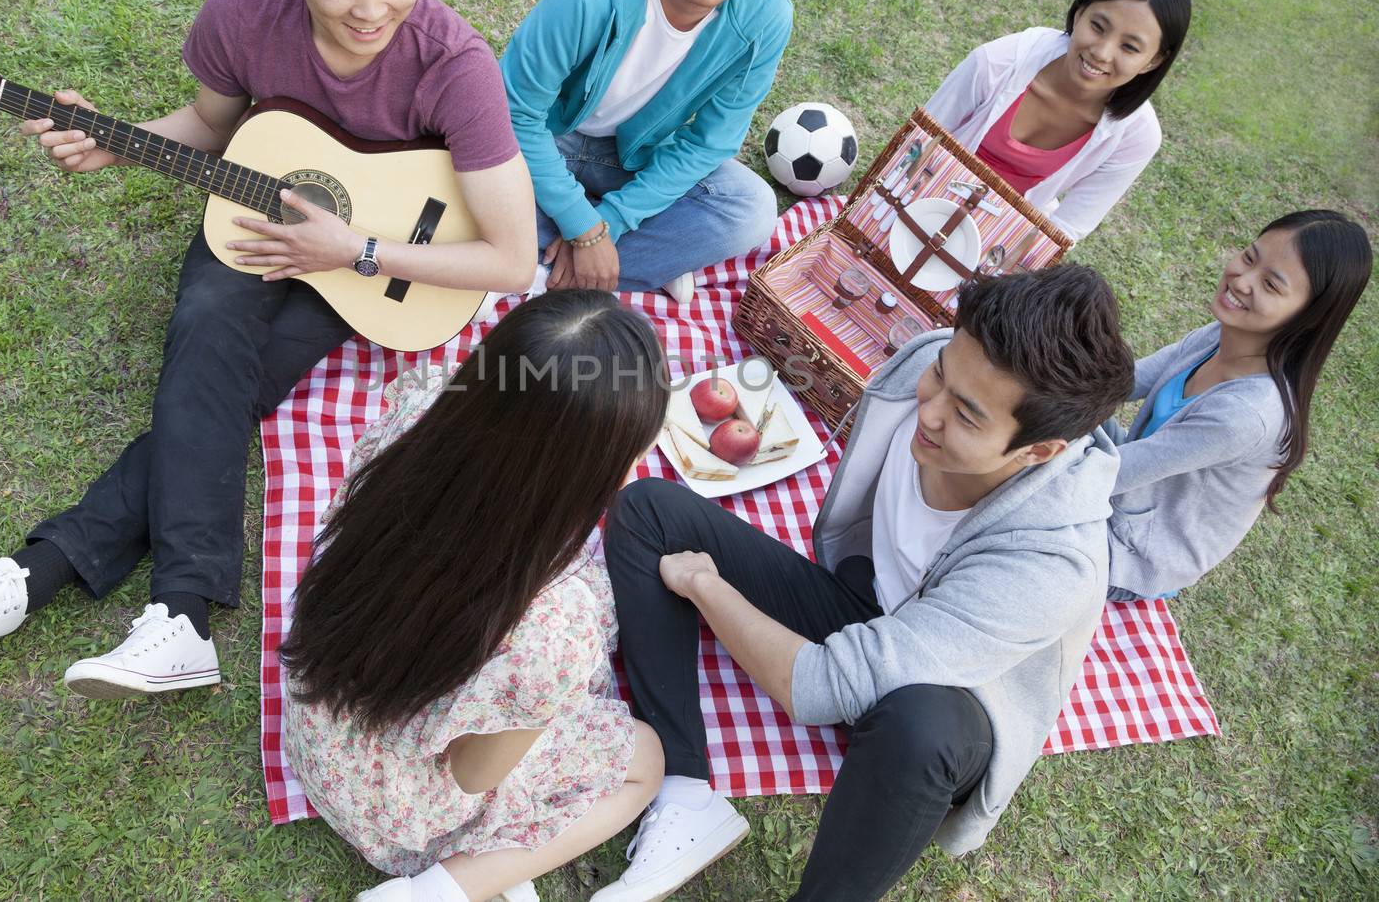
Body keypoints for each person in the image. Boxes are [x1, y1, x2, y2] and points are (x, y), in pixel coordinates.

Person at [0, 0, 534, 697]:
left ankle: (35, 573)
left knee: (228, 380)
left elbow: (511, 255)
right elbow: (209, 130)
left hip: (372, 268)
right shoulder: (243, 14)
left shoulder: (457, 66)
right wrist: (112, 146)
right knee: (206, 334)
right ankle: (180, 620)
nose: (371, 10)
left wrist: (358, 250)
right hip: (263, 218)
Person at [599, 266, 1135, 902]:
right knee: (649, 511)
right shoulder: (930, 363)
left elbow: (818, 687)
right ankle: (684, 791)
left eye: (964, 414)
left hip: (949, 700)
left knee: (919, 726)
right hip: (866, 606)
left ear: (1038, 451)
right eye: (942, 374)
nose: (927, 411)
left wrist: (706, 586)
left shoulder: (1052, 565)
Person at [279, 290, 668, 902]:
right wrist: (539, 702)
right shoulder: (555, 625)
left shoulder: (420, 410)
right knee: (645, 761)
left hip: (315, 723)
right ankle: (436, 891)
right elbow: (471, 775)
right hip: (394, 810)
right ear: (597, 472)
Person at [500, 0, 805, 303]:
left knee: (750, 207)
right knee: (453, 166)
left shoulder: (766, 16)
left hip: (630, 155)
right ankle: (626, 261)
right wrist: (583, 227)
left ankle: (542, 268)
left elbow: (709, 142)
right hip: (548, 139)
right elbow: (514, 113)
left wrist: (611, 224)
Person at [1107, 210, 1372, 599]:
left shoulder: (1248, 415)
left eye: (1271, 284)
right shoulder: (1222, 334)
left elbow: (1108, 475)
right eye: (1250, 257)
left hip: (1131, 554)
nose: (1242, 281)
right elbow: (1120, 382)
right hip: (1120, 487)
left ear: (1309, 317)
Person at [923, 0, 1191, 244]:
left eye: (1129, 47)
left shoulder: (1137, 137)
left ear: (1154, 61)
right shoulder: (997, 61)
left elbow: (1067, 229)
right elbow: (919, 140)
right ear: (1079, 13)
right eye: (1098, 27)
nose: (1101, 52)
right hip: (924, 192)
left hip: (999, 241)